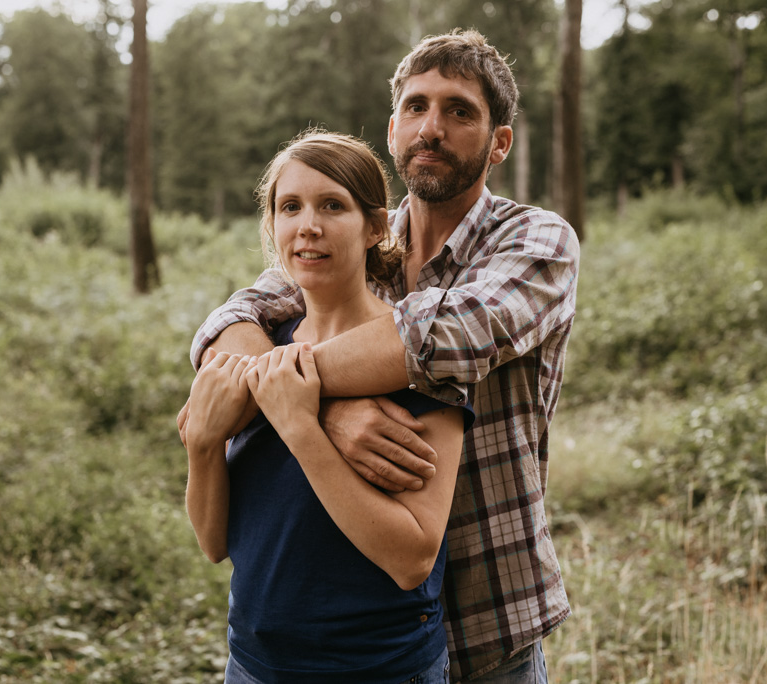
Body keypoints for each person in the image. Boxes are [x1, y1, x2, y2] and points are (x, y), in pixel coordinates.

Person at [181, 30, 580, 682]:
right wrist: (315, 407)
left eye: (459, 111)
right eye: (417, 107)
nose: (433, 128)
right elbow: (236, 318)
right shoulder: (355, 242)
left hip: (486, 606)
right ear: (393, 129)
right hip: (339, 618)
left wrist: (304, 402)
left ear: (499, 141)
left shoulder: (536, 239)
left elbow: (451, 335)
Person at [181, 130, 472, 683]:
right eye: (290, 207)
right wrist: (201, 445)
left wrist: (301, 425)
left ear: (377, 227)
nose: (307, 225)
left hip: (381, 668)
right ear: (273, 227)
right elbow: (214, 543)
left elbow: (412, 561)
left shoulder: (415, 362)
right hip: (254, 665)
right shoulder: (258, 351)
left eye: (332, 206)